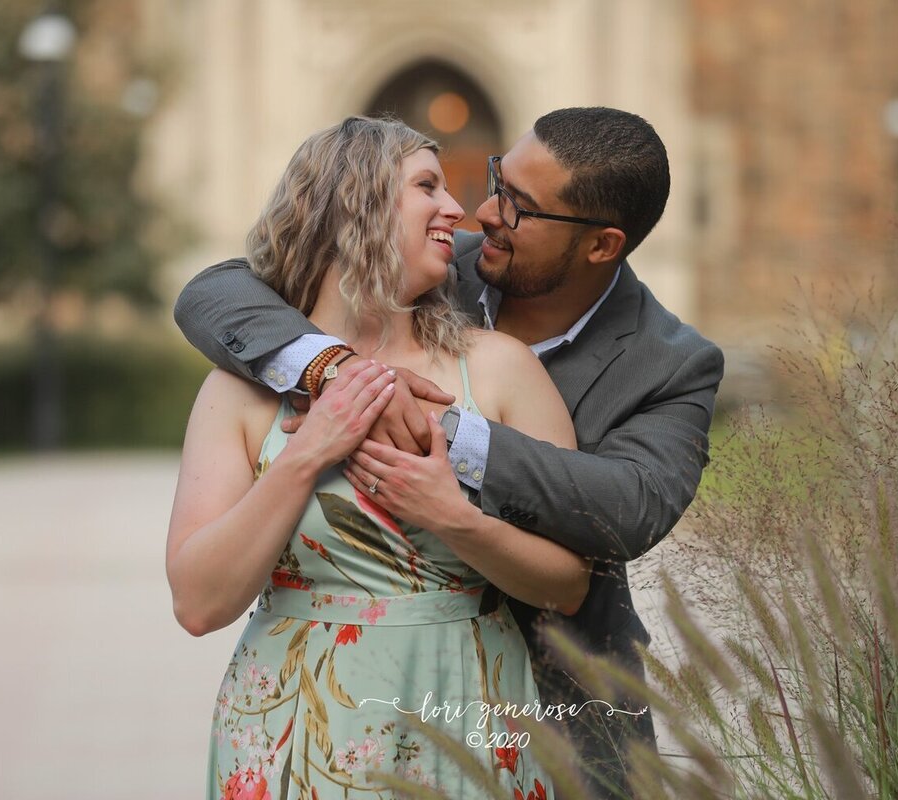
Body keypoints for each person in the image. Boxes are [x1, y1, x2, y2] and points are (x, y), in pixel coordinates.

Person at [175, 107, 725, 797]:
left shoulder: (668, 366)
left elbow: (627, 510)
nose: (479, 212)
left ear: (601, 245)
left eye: (520, 208)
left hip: (519, 706)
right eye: (498, 180)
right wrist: (335, 373)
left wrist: (445, 445)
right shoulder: (436, 268)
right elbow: (213, 293)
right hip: (300, 713)